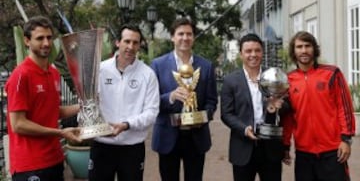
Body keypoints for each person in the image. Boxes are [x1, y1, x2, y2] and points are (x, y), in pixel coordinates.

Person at [5, 16, 81, 181]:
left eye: (49, 37)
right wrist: (60, 132)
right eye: (40, 38)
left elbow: (52, 111)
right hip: (30, 165)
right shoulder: (21, 75)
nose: (46, 43)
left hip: (54, 160)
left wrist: (83, 105)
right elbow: (18, 124)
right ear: (26, 41)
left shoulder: (53, 73)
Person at [88, 23, 160, 181]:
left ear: (139, 46)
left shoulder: (148, 74)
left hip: (132, 148)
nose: (130, 46)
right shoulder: (99, 70)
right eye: (127, 41)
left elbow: (152, 112)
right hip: (102, 145)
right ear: (117, 43)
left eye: (135, 42)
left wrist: (127, 124)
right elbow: (88, 102)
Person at [151, 17, 218, 181]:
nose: (185, 38)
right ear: (172, 37)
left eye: (189, 34)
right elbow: (150, 101)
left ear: (193, 37)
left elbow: (212, 101)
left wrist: (202, 117)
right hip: (167, 135)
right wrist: (171, 97)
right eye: (180, 34)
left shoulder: (206, 66)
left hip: (196, 137)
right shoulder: (158, 65)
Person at [282, 31, 355, 181]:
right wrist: (285, 145)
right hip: (304, 153)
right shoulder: (288, 80)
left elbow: (344, 107)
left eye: (307, 46)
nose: (304, 50)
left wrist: (346, 139)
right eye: (299, 47)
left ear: (314, 49)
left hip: (333, 151)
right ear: (293, 51)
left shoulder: (332, 73)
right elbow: (288, 118)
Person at [220, 33, 286, 181]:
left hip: (271, 147)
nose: (253, 55)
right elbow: (226, 114)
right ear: (241, 54)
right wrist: (243, 128)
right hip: (243, 146)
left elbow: (288, 105)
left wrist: (276, 106)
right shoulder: (231, 81)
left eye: (257, 50)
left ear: (262, 52)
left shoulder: (274, 76)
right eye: (248, 51)